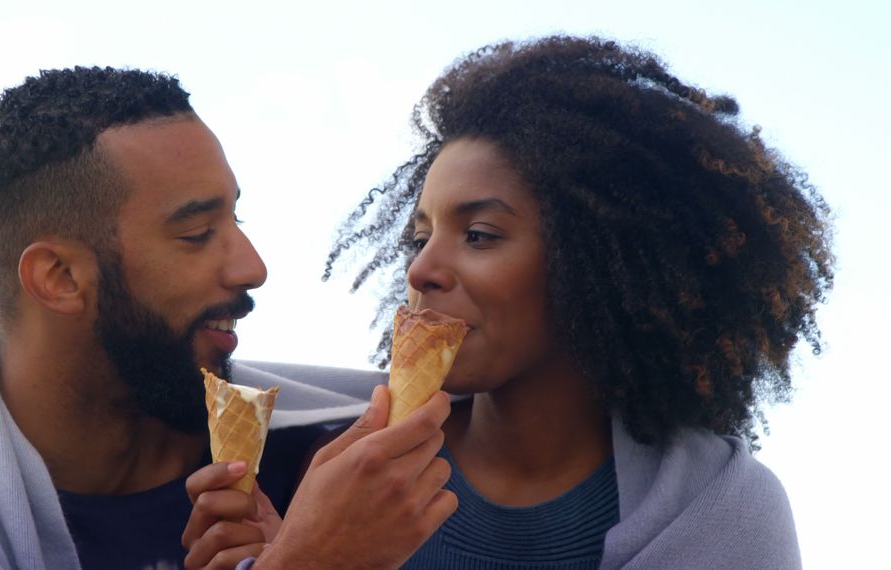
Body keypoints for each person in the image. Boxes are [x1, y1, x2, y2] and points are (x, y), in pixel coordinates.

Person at [0, 66, 455, 569]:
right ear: (59, 278)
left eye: (238, 218)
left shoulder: (354, 446)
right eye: (198, 232)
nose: (252, 267)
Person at [321, 36, 831, 568]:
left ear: (596, 262)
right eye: (419, 239)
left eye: (478, 235)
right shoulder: (331, 472)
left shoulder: (724, 512)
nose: (420, 270)